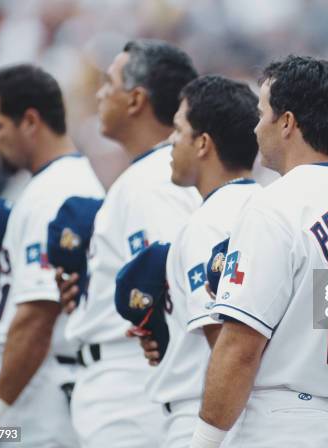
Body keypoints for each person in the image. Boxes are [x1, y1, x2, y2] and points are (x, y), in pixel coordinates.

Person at [190, 56, 328, 448]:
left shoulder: (274, 206)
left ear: (287, 122)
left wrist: (203, 441)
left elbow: (239, 348)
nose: (257, 127)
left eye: (262, 114)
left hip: (284, 422)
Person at [55, 40, 200, 448]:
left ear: (137, 99)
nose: (100, 93)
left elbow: (171, 278)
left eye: (109, 83)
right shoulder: (149, 175)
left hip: (130, 387)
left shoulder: (154, 180)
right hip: (120, 383)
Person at [0, 64, 104, 448]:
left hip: (26, 406)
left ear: (30, 121)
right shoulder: (44, 185)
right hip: (11, 396)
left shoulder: (60, 190)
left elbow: (37, 320)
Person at [135, 74, 261, 448]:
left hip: (207, 415)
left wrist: (205, 439)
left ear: (203, 143)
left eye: (178, 130)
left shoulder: (207, 224)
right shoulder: (267, 207)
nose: (170, 142)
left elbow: (225, 344)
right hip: (253, 410)